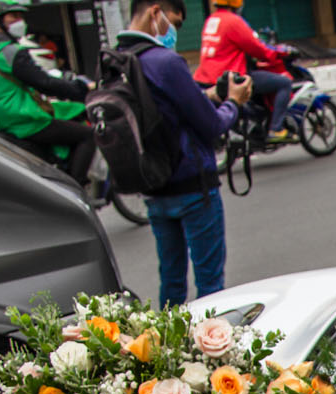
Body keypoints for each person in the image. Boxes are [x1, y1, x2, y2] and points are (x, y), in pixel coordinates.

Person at [115, 0, 251, 307]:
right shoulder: (165, 61)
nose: (173, 31)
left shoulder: (117, 60)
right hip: (193, 189)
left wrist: (211, 95)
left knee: (172, 283)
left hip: (154, 188)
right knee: (210, 286)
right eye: (173, 23)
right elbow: (213, 125)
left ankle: (171, 350)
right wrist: (233, 101)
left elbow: (163, 109)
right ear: (155, 12)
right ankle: (209, 349)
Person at [0, 0, 95, 182]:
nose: (20, 21)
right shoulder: (10, 52)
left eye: (21, 16)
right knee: (87, 135)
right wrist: (82, 90)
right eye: (13, 16)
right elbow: (44, 82)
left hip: (5, 119)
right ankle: (76, 189)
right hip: (25, 120)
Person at [194, 0, 293, 140]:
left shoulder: (211, 19)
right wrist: (278, 54)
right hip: (231, 76)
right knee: (284, 83)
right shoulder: (234, 21)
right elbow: (256, 48)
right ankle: (276, 129)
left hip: (206, 77)